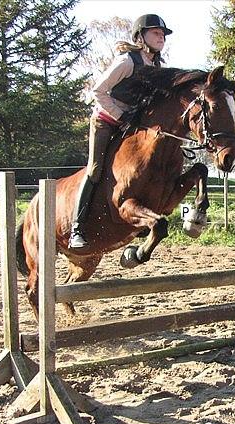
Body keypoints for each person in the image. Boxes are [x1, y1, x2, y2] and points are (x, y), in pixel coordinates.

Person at [69, 14, 173, 249]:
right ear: (141, 36)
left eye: (163, 34)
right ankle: (77, 227)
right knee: (95, 170)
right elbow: (98, 92)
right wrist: (121, 116)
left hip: (132, 125)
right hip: (106, 121)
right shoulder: (127, 62)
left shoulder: (157, 66)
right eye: (156, 33)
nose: (161, 37)